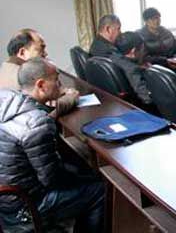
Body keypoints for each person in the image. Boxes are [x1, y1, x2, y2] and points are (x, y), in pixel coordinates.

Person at [0, 58, 104, 233]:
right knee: (98, 189)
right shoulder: (37, 123)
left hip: (6, 200)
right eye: (56, 80)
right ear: (41, 85)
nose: (60, 85)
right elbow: (51, 180)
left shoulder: (6, 99)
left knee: (80, 172)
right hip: (23, 208)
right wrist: (83, 175)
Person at [0, 29, 77, 117]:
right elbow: (41, 118)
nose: (46, 54)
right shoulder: (19, 78)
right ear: (22, 52)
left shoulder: (6, 69)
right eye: (41, 48)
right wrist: (67, 101)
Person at [109, 32, 152, 105]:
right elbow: (146, 98)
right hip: (137, 106)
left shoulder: (112, 57)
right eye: (142, 48)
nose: (144, 52)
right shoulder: (133, 69)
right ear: (133, 51)